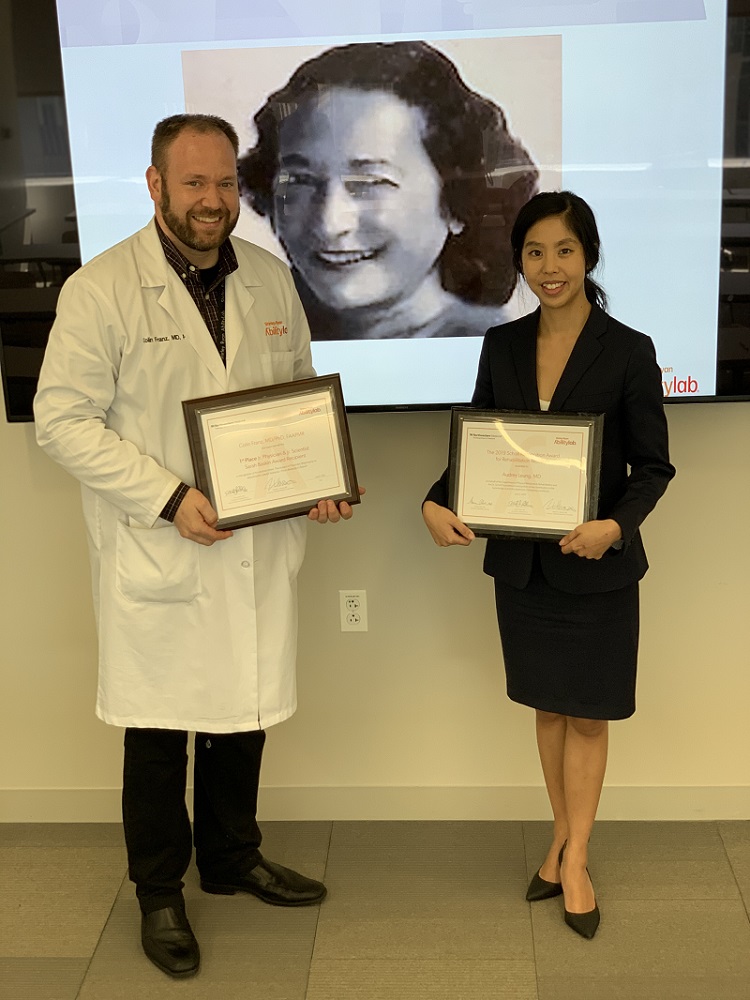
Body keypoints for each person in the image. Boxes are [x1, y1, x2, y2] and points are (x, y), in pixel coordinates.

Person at [34, 113, 361, 979]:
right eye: (193, 183)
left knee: (241, 715)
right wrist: (168, 496)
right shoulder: (101, 289)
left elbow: (294, 397)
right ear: (154, 186)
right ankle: (158, 893)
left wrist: (317, 477)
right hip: (162, 551)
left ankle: (231, 857)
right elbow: (60, 421)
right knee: (158, 730)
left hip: (254, 545)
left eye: (225, 183)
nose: (212, 200)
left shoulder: (267, 277)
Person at [423, 191, 675, 939]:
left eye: (564, 250)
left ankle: (576, 858)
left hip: (596, 570)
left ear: (588, 255)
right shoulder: (500, 345)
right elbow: (475, 451)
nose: (550, 266)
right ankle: (561, 837)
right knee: (548, 709)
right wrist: (435, 502)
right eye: (535, 252)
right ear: (520, 262)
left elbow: (654, 468)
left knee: (590, 719)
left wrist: (614, 526)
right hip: (524, 573)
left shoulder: (628, 348)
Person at [238, 40, 538, 341]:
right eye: (300, 180)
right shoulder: (257, 324)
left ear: (457, 200)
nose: (329, 224)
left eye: (370, 183)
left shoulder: (493, 350)